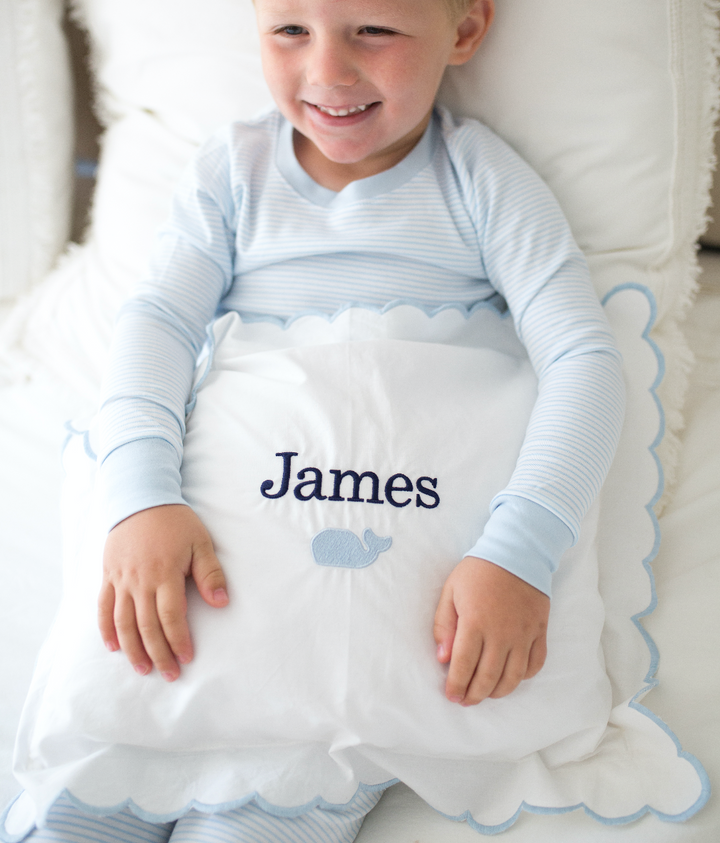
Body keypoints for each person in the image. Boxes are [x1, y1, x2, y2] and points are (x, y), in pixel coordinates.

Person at [25, 0, 624, 839]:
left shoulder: (483, 182)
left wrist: (521, 552)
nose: (328, 73)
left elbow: (584, 361)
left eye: (374, 31)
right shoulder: (235, 172)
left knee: (265, 812)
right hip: (207, 589)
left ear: (464, 29)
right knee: (77, 809)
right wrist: (140, 496)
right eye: (289, 32)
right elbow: (156, 325)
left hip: (341, 645)